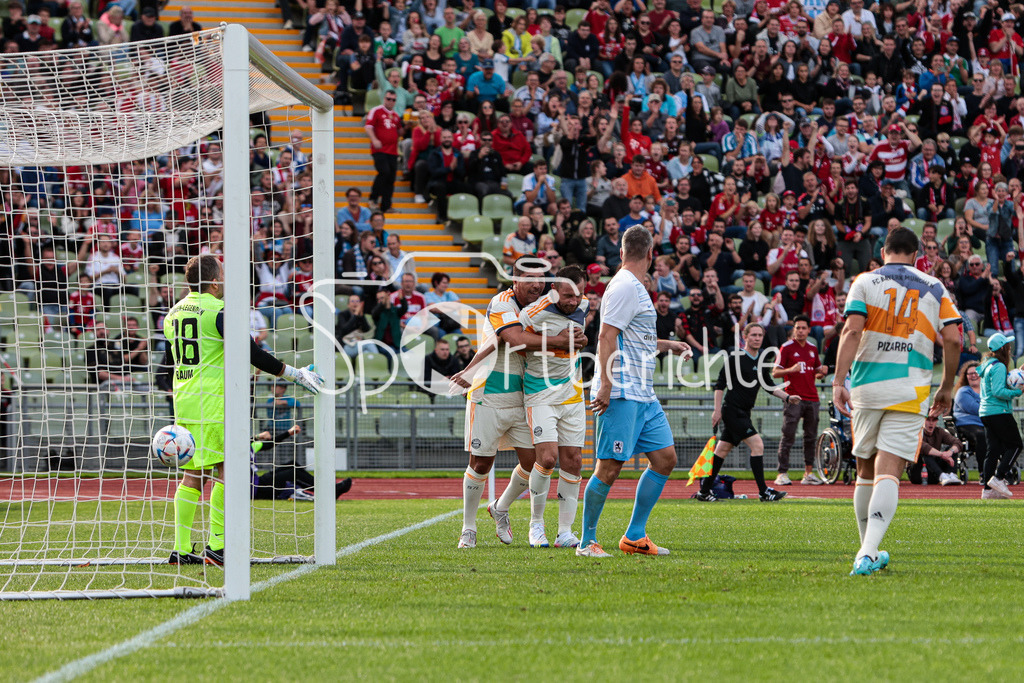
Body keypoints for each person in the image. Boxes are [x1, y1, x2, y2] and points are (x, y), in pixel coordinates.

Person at [164, 255, 325, 566]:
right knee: (228, 472)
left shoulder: (173, 313)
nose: (226, 279)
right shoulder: (220, 311)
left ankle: (181, 549)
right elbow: (251, 352)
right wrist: (294, 373)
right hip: (215, 400)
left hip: (185, 397)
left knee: (193, 475)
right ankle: (217, 547)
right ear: (213, 281)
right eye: (223, 274)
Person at [832, 227, 961, 576]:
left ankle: (867, 551)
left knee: (865, 471)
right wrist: (947, 385)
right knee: (889, 471)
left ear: (883, 250)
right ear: (917, 255)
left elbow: (852, 330)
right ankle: (868, 551)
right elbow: (953, 338)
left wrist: (838, 381)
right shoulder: (933, 286)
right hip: (909, 390)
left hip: (866, 387)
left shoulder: (864, 281)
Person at [448, 259, 584, 549]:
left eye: (540, 279)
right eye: (529, 279)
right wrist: (560, 341)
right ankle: (468, 528)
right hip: (489, 393)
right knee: (481, 462)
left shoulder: (548, 305)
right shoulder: (501, 303)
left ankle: (500, 506)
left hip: (525, 395)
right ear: (514, 282)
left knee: (535, 461)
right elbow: (511, 339)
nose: (537, 284)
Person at [581, 225, 692, 558]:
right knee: (610, 466)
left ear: (621, 252)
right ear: (651, 254)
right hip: (622, 392)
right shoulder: (626, 287)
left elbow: (634, 337)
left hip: (644, 393)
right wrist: (605, 384)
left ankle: (635, 536)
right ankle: (587, 542)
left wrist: (667, 344)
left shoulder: (634, 287)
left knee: (665, 459)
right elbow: (605, 336)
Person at [517, 265, 589, 548]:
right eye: (567, 295)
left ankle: (565, 532)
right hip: (540, 392)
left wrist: (580, 342)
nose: (573, 301)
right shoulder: (533, 313)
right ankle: (536, 526)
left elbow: (578, 339)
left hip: (572, 393)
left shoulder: (583, 305)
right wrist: (555, 343)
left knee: (573, 460)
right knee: (547, 458)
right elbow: (515, 342)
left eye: (578, 295)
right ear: (554, 291)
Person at [696, 323, 799, 503]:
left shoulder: (761, 360)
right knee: (757, 445)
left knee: (721, 450)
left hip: (744, 412)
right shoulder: (735, 358)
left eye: (760, 335)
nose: (757, 338)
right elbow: (720, 385)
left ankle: (704, 492)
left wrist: (787, 397)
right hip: (732, 411)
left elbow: (768, 385)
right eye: (753, 335)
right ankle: (763, 492)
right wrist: (717, 410)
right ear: (745, 337)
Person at [773, 315, 828, 486]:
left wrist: (822, 371)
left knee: (810, 437)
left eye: (804, 328)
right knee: (788, 435)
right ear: (794, 329)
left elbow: (816, 372)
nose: (801, 331)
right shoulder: (787, 347)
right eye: (798, 328)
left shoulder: (812, 348)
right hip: (794, 398)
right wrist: (791, 369)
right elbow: (775, 372)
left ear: (809, 330)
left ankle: (808, 473)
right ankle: (782, 473)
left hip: (812, 397)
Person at [250, 425, 353, 501]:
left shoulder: (249, 446)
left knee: (292, 464)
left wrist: (288, 433)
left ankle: (327, 488)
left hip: (258, 483)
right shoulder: (236, 449)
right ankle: (329, 491)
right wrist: (257, 436)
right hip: (255, 490)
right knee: (293, 471)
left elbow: (270, 444)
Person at [977, 332, 1022, 499]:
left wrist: (1019, 373)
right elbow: (998, 391)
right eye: (1008, 345)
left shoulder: (988, 364)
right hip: (998, 411)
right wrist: (1018, 391)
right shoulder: (999, 366)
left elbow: (999, 385)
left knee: (993, 450)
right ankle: (999, 478)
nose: (1010, 348)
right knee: (1016, 445)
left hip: (986, 412)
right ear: (1003, 347)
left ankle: (988, 491)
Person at [364, 90, 402, 213]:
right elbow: (368, 126)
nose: (390, 101)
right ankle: (373, 198)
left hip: (393, 151)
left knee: (391, 178)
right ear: (384, 99)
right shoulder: (376, 111)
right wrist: (374, 139)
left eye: (393, 99)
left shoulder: (396, 115)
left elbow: (399, 131)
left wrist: (407, 127)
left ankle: (386, 205)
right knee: (384, 172)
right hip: (379, 149)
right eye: (388, 99)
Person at [953, 360, 987, 483]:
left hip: (985, 424)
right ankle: (984, 473)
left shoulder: (987, 390)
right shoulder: (963, 392)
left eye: (976, 372)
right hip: (967, 424)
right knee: (981, 435)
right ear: (966, 377)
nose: (973, 375)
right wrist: (989, 406)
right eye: (969, 373)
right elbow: (974, 408)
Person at [907, 416, 964, 485]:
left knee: (952, 449)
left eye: (933, 420)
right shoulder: (916, 432)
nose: (931, 423)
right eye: (928, 420)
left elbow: (958, 442)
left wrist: (950, 452)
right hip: (917, 472)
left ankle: (951, 475)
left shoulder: (939, 431)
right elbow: (923, 447)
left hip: (933, 471)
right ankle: (942, 476)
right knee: (925, 454)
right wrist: (942, 454)